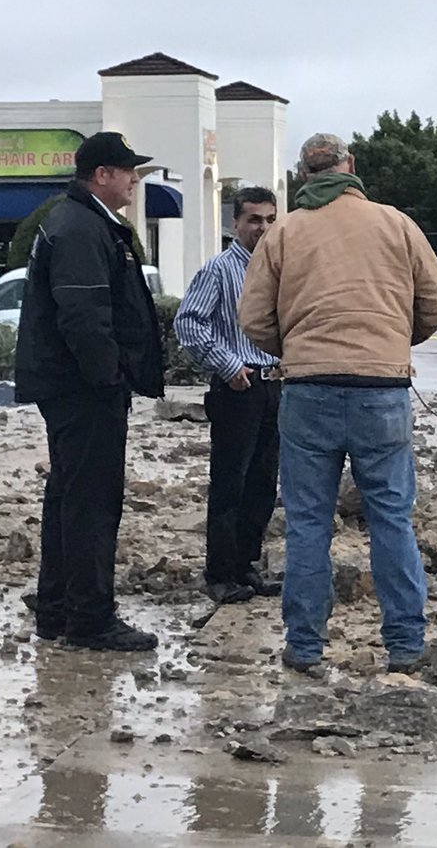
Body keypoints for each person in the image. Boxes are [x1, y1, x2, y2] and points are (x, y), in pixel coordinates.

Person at [239, 133, 437, 673]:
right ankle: (405, 645)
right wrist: (391, 345)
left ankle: (306, 646)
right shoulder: (395, 224)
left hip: (307, 390)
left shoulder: (284, 231)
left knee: (309, 523)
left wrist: (298, 350)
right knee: (391, 519)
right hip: (381, 391)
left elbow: (254, 319)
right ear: (349, 166)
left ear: (303, 175)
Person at [14, 131, 164, 652]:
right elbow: (82, 315)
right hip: (82, 391)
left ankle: (57, 610)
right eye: (128, 171)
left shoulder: (83, 221)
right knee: (91, 504)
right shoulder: (79, 226)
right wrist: (109, 378)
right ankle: (90, 619)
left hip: (74, 388)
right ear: (101, 175)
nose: (134, 180)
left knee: (69, 498)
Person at [174, 187, 283, 604]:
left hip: (274, 385)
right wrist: (227, 364)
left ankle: (245, 565)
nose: (263, 227)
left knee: (262, 482)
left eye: (271, 219)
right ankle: (219, 572)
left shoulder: (279, 268)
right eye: (255, 219)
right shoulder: (219, 270)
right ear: (235, 223)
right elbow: (189, 323)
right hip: (238, 386)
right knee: (230, 483)